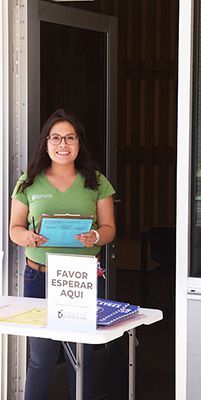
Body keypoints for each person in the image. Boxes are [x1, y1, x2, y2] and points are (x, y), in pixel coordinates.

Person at [9, 109, 116, 400]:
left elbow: (109, 229)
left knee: (82, 356)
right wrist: (27, 236)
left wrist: (95, 236)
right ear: (46, 143)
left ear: (79, 143)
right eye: (55, 138)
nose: (62, 144)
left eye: (70, 137)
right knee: (41, 357)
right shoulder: (28, 181)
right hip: (39, 276)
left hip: (81, 277)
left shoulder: (95, 181)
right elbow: (14, 229)